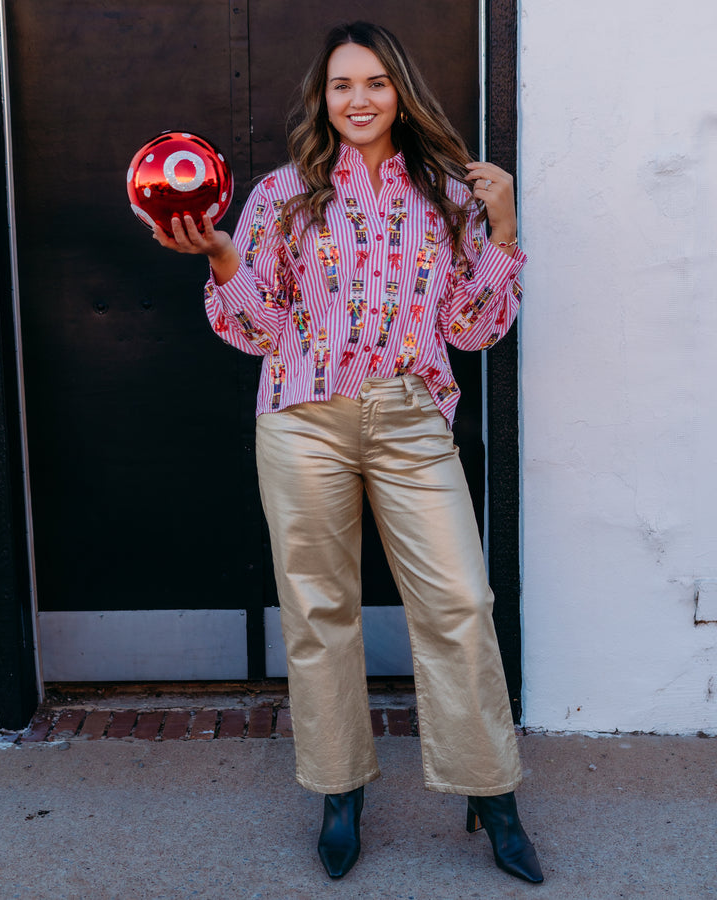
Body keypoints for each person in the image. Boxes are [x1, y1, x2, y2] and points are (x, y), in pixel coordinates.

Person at [153, 21, 543, 885]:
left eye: (373, 82)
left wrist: (505, 225)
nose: (358, 99)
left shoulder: (445, 189)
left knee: (460, 604)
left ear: (399, 90)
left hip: (410, 420)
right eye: (341, 85)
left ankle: (492, 793)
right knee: (319, 615)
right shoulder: (284, 194)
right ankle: (340, 794)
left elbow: (474, 328)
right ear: (321, 99)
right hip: (302, 417)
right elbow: (254, 329)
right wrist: (219, 253)